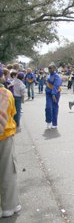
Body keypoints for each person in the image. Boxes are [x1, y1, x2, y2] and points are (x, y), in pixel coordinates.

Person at [0, 74, 21, 218]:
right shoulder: (6, 94)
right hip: (5, 136)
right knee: (7, 170)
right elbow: (12, 113)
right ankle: (9, 205)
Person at [45, 64, 62, 129]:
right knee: (48, 107)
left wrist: (54, 94)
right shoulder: (49, 75)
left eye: (51, 68)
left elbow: (56, 85)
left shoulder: (56, 76)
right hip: (48, 93)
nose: (50, 70)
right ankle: (48, 121)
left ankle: (54, 122)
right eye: (49, 68)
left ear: (54, 69)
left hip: (55, 93)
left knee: (54, 107)